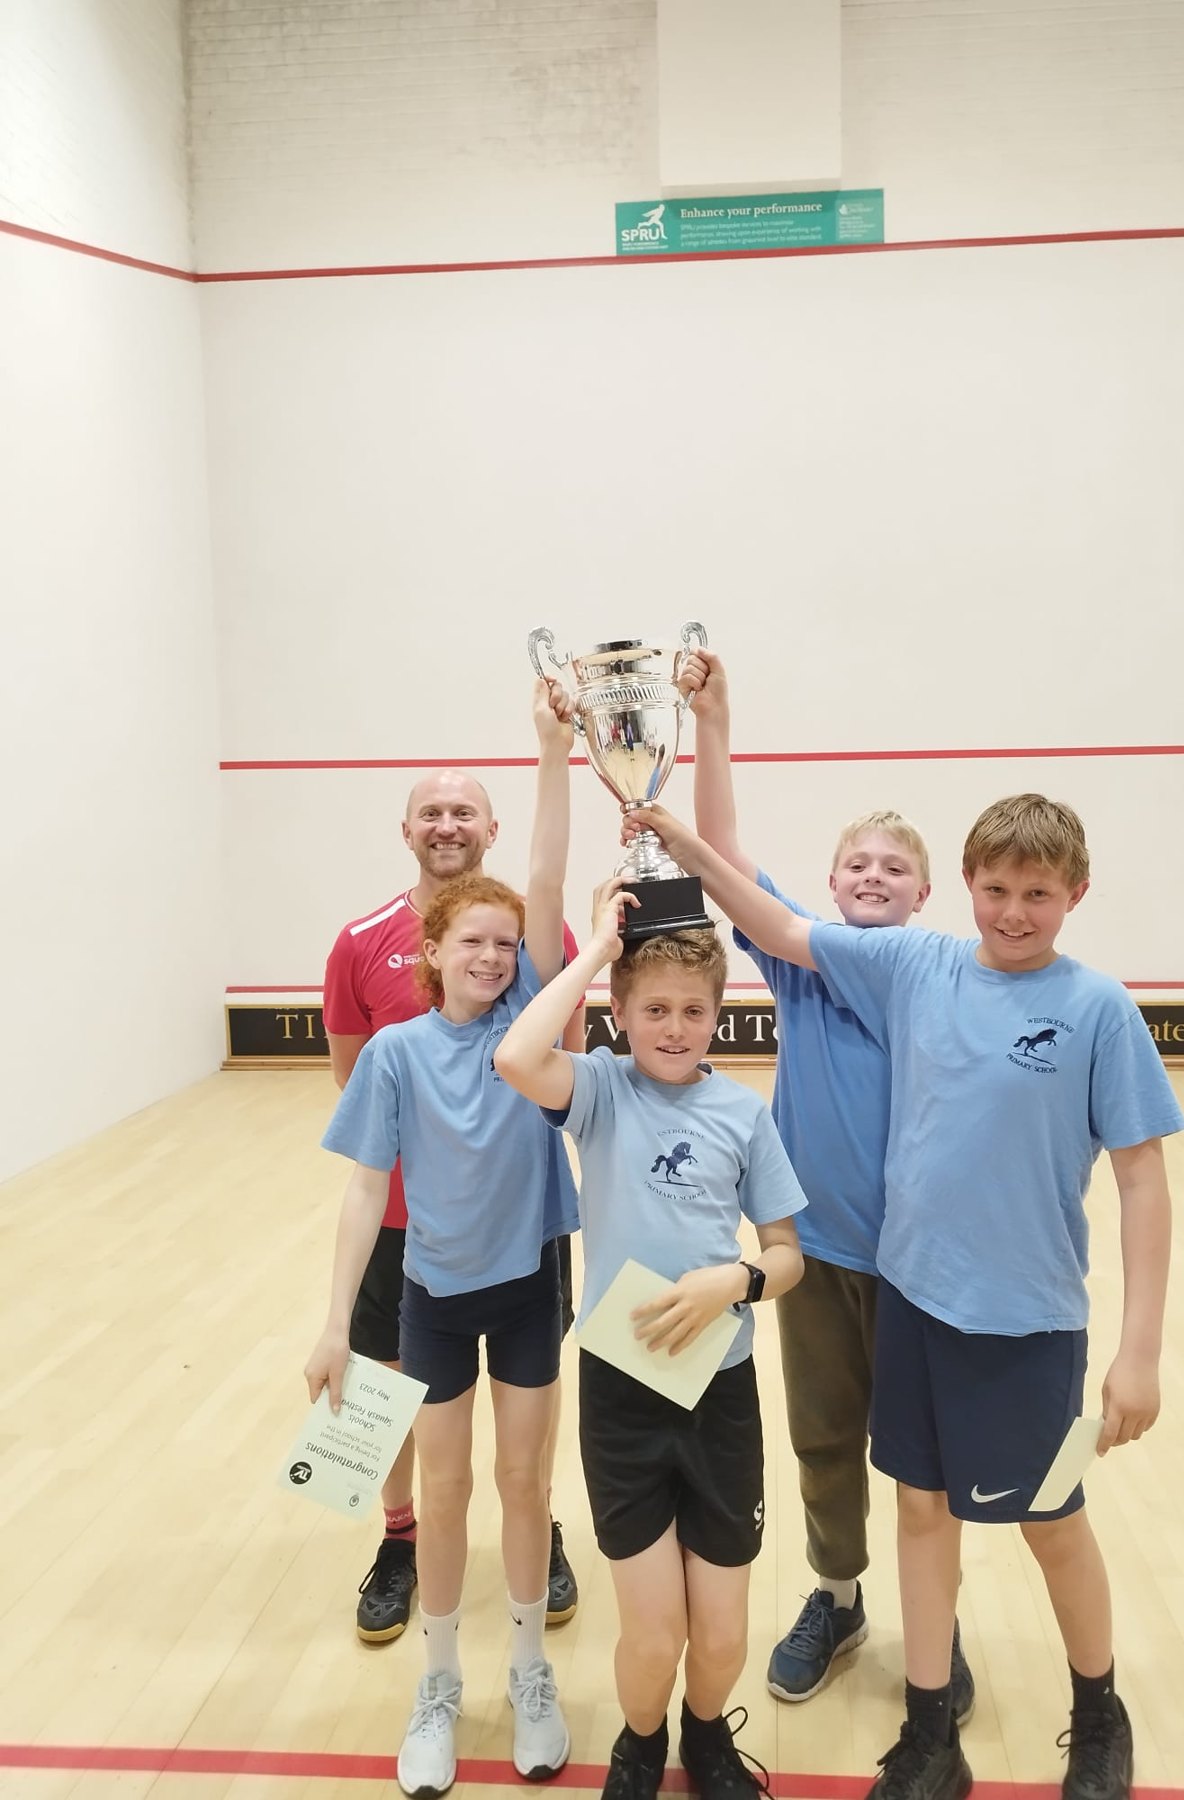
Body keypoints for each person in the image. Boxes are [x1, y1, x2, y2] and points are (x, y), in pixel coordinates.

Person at [627, 794, 1184, 1800]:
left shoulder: (1098, 1007)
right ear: (966, 886)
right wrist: (681, 843)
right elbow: (776, 923)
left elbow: (1143, 1179)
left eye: (1038, 894)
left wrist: (1138, 1353)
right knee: (922, 1515)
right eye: (997, 889)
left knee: (1053, 1520)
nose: (1013, 912)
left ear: (1075, 894)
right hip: (917, 1307)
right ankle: (931, 1737)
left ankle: (1100, 1715)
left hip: (1033, 1327)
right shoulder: (916, 966)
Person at [305, 682, 581, 1798]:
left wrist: (554, 749)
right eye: (475, 940)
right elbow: (361, 1168)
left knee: (521, 1476)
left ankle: (528, 1669)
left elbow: (549, 881)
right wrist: (332, 1321)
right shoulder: (385, 1019)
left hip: (524, 1277)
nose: (495, 955)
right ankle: (430, 1653)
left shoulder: (528, 1012)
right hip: (424, 1273)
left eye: (509, 944)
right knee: (431, 1468)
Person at [686, 651, 973, 1716]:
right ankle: (840, 1599)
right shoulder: (800, 965)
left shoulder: (941, 976)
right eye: (857, 864)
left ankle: (933, 1624)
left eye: (894, 868)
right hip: (812, 1260)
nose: (872, 877)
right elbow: (721, 857)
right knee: (822, 1438)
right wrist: (715, 721)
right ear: (833, 882)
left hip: (920, 1267)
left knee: (924, 1460)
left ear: (924, 894)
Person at [494, 880, 808, 1800]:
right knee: (655, 1632)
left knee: (721, 1633)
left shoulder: (744, 1115)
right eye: (655, 1009)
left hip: (721, 1394)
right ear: (621, 1015)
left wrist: (736, 1280)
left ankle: (704, 1737)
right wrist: (598, 950)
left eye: (694, 1011)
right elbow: (517, 1054)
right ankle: (640, 1745)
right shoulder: (598, 1091)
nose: (675, 1028)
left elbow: (787, 1255)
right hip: (622, 1395)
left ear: (719, 1016)